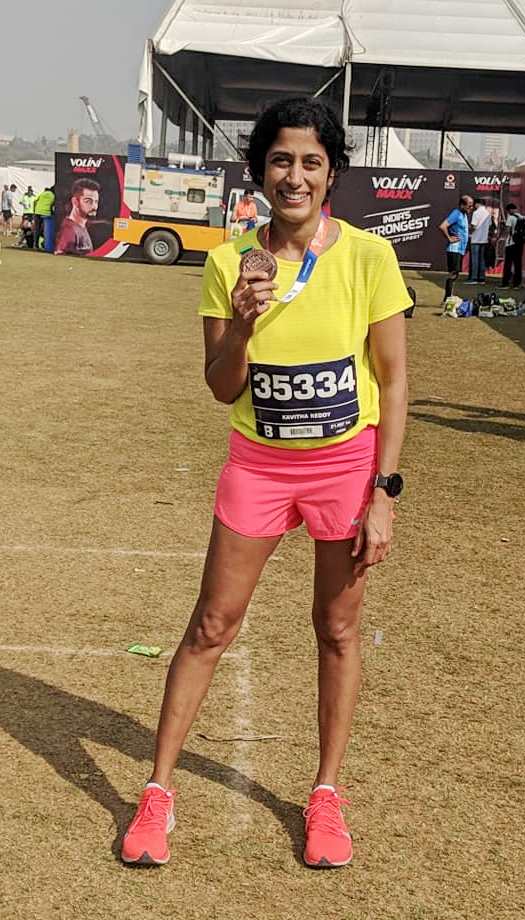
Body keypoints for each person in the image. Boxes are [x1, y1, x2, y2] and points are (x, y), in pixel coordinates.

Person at [121, 96, 411, 870]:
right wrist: (244, 324)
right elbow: (222, 387)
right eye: (281, 160)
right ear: (260, 171)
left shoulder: (368, 258)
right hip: (259, 466)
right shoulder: (228, 263)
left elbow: (393, 381)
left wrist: (384, 492)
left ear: (332, 173)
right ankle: (157, 793)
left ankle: (325, 796)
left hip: (345, 469)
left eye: (312, 161)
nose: (295, 176)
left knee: (338, 630)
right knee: (212, 626)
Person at [439, 195, 473, 301]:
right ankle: (447, 298)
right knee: (453, 274)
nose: (471, 208)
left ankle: (448, 297)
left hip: (460, 250)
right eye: (469, 206)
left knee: (456, 274)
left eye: (472, 206)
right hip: (454, 249)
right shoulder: (456, 213)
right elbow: (443, 226)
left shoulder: (464, 215)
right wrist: (449, 238)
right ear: (462, 205)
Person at [55, 179, 100, 255]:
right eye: (88, 201)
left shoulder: (80, 226)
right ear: (75, 202)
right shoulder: (69, 230)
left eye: (96, 202)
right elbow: (60, 255)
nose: (94, 207)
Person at [501, 202, 525, 289]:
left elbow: (507, 230)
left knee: (508, 264)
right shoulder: (524, 218)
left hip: (511, 243)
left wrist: (503, 239)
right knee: (518, 263)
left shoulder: (511, 218)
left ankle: (505, 283)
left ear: (509, 210)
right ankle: (517, 283)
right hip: (520, 243)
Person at [467, 197, 491, 284]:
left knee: (475, 259)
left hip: (475, 239)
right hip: (484, 239)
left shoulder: (476, 213)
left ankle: (474, 278)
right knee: (482, 259)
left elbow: (474, 226)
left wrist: (469, 229)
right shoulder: (488, 213)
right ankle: (481, 278)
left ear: (477, 204)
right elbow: (490, 225)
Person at [33, 185, 55, 250]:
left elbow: (35, 201)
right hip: (46, 213)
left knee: (37, 229)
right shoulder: (53, 196)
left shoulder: (43, 193)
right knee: (46, 230)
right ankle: (45, 243)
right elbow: (53, 206)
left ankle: (36, 245)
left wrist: (34, 210)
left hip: (37, 212)